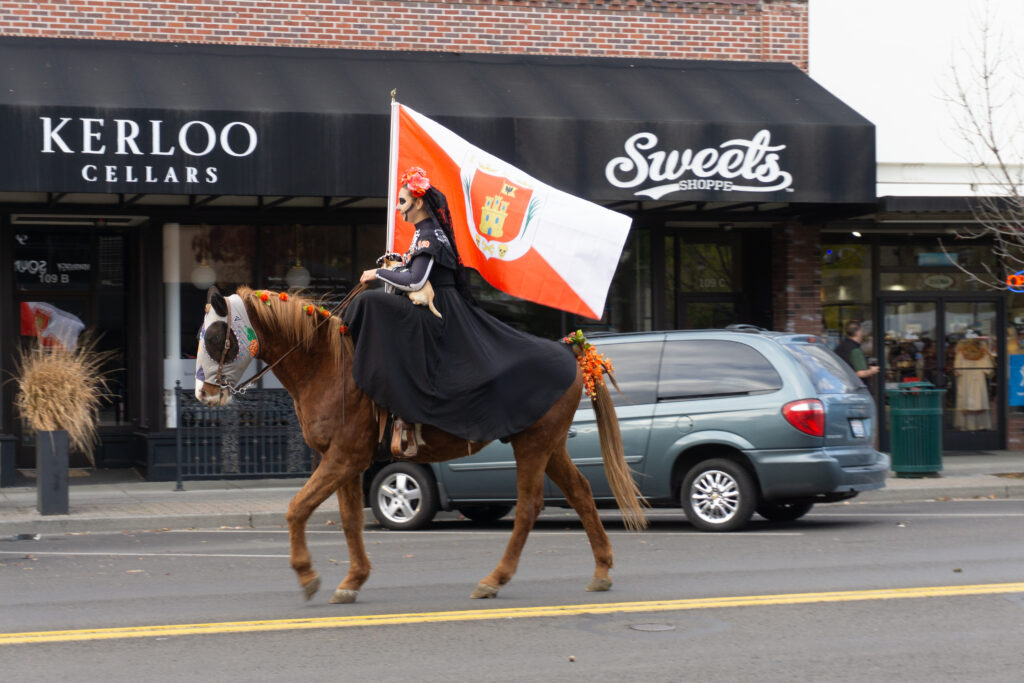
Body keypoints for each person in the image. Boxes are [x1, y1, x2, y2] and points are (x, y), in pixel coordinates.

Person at [345, 167, 578, 447]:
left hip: (439, 313)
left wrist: (377, 274)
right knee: (373, 303)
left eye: (403, 202)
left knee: (368, 301)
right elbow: (414, 271)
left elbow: (416, 279)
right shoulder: (422, 233)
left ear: (419, 203)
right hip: (431, 308)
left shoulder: (430, 234)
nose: (398, 209)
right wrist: (395, 263)